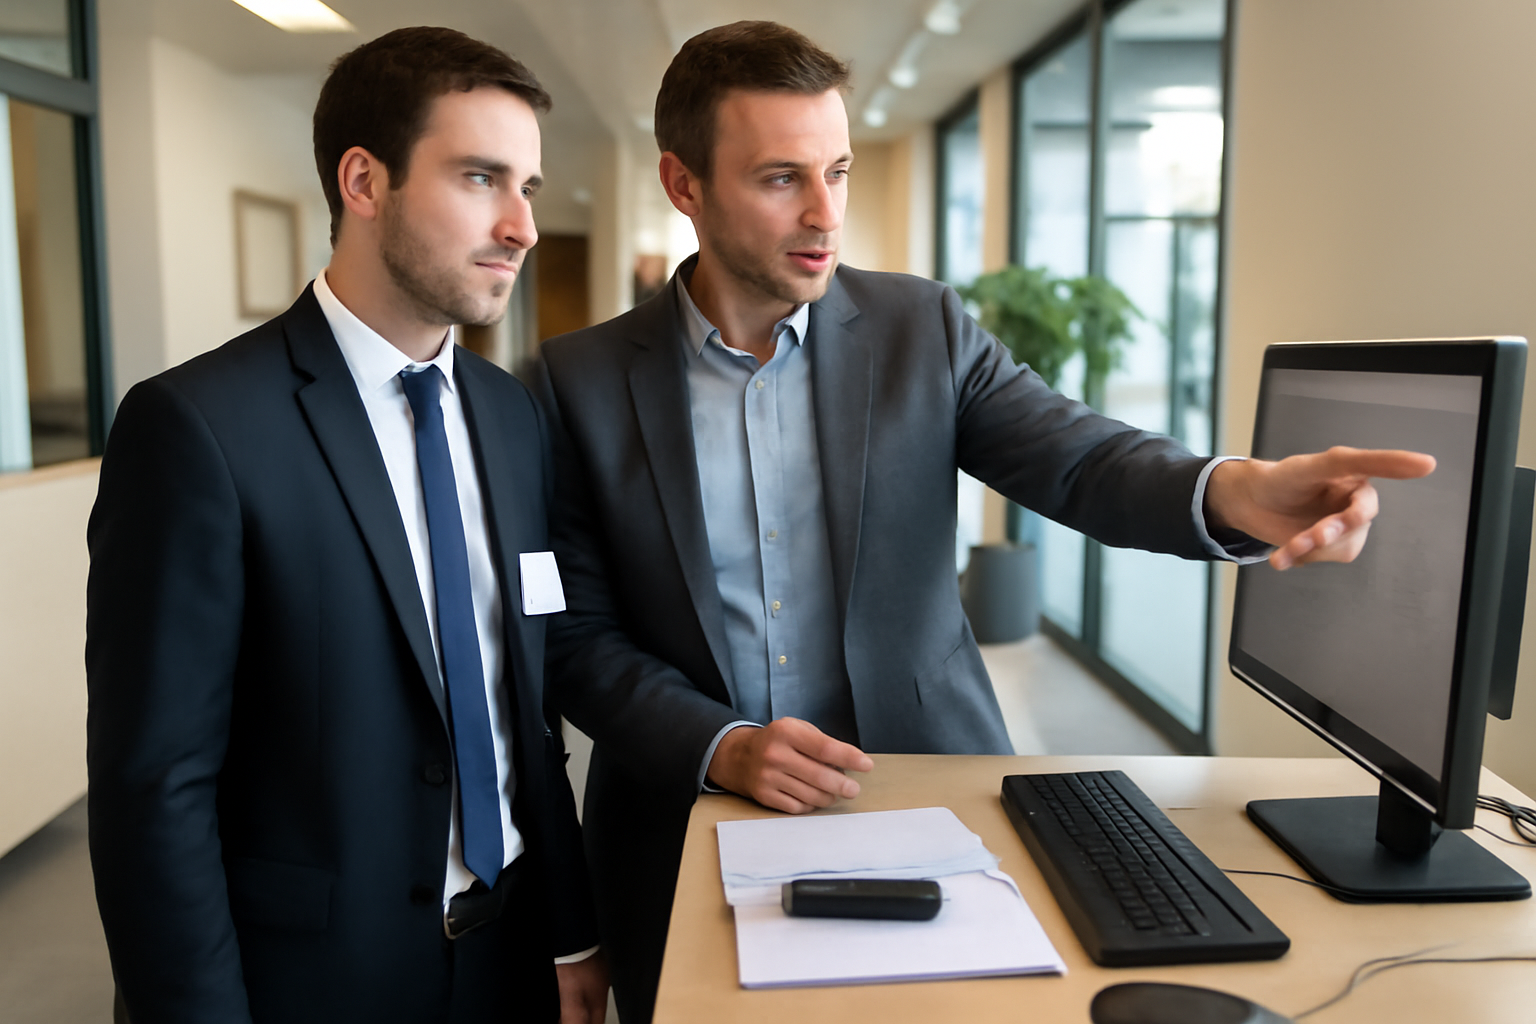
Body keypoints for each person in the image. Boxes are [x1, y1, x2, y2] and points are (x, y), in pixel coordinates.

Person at [535, 21, 1432, 1024]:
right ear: (684, 184)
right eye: (782, 177)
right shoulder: (578, 381)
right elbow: (574, 637)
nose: (827, 213)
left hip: (923, 795)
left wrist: (1229, 493)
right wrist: (724, 743)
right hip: (684, 813)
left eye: (838, 169)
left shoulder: (923, 329)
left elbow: (1080, 457)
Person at [87, 27, 606, 1024]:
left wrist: (571, 927)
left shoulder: (510, 414)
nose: (520, 225)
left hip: (510, 961)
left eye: (529, 187)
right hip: (312, 985)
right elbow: (156, 787)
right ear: (365, 182)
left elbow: (525, 714)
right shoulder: (198, 428)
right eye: (480, 178)